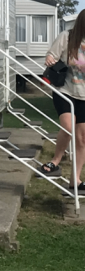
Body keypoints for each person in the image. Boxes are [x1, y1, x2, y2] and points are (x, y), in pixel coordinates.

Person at [37, 10, 85, 192]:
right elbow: (52, 56)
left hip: (84, 96)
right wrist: (50, 59)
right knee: (68, 127)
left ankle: (75, 180)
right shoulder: (67, 37)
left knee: (82, 138)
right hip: (65, 91)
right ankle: (56, 161)